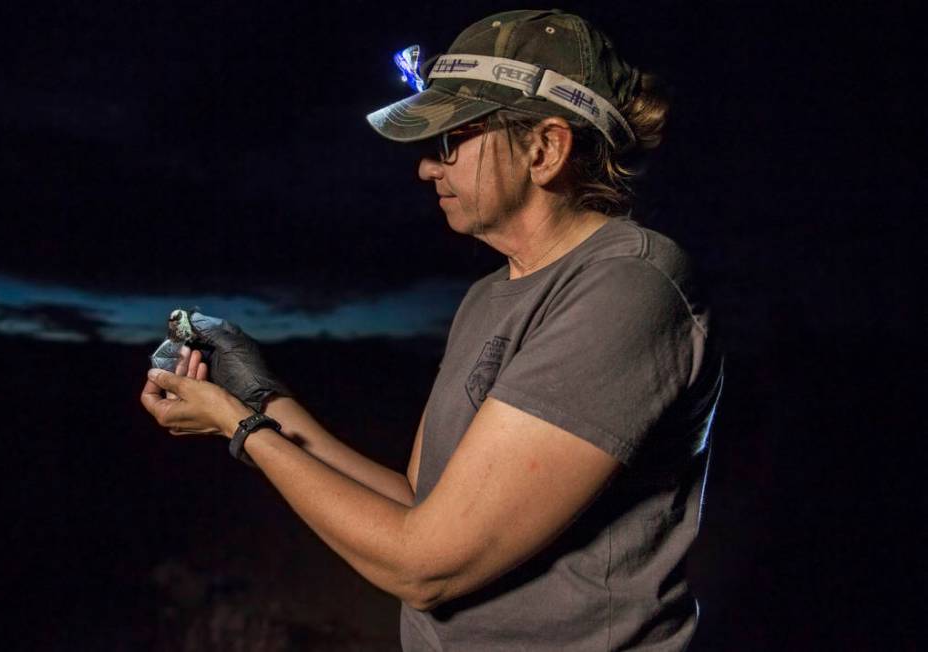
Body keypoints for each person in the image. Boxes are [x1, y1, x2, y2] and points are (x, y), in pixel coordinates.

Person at [140, 9, 723, 651]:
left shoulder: (630, 288)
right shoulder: (488, 296)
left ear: (546, 148)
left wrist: (237, 427)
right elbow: (416, 501)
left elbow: (426, 565)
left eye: (451, 142)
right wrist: (262, 399)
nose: (425, 168)